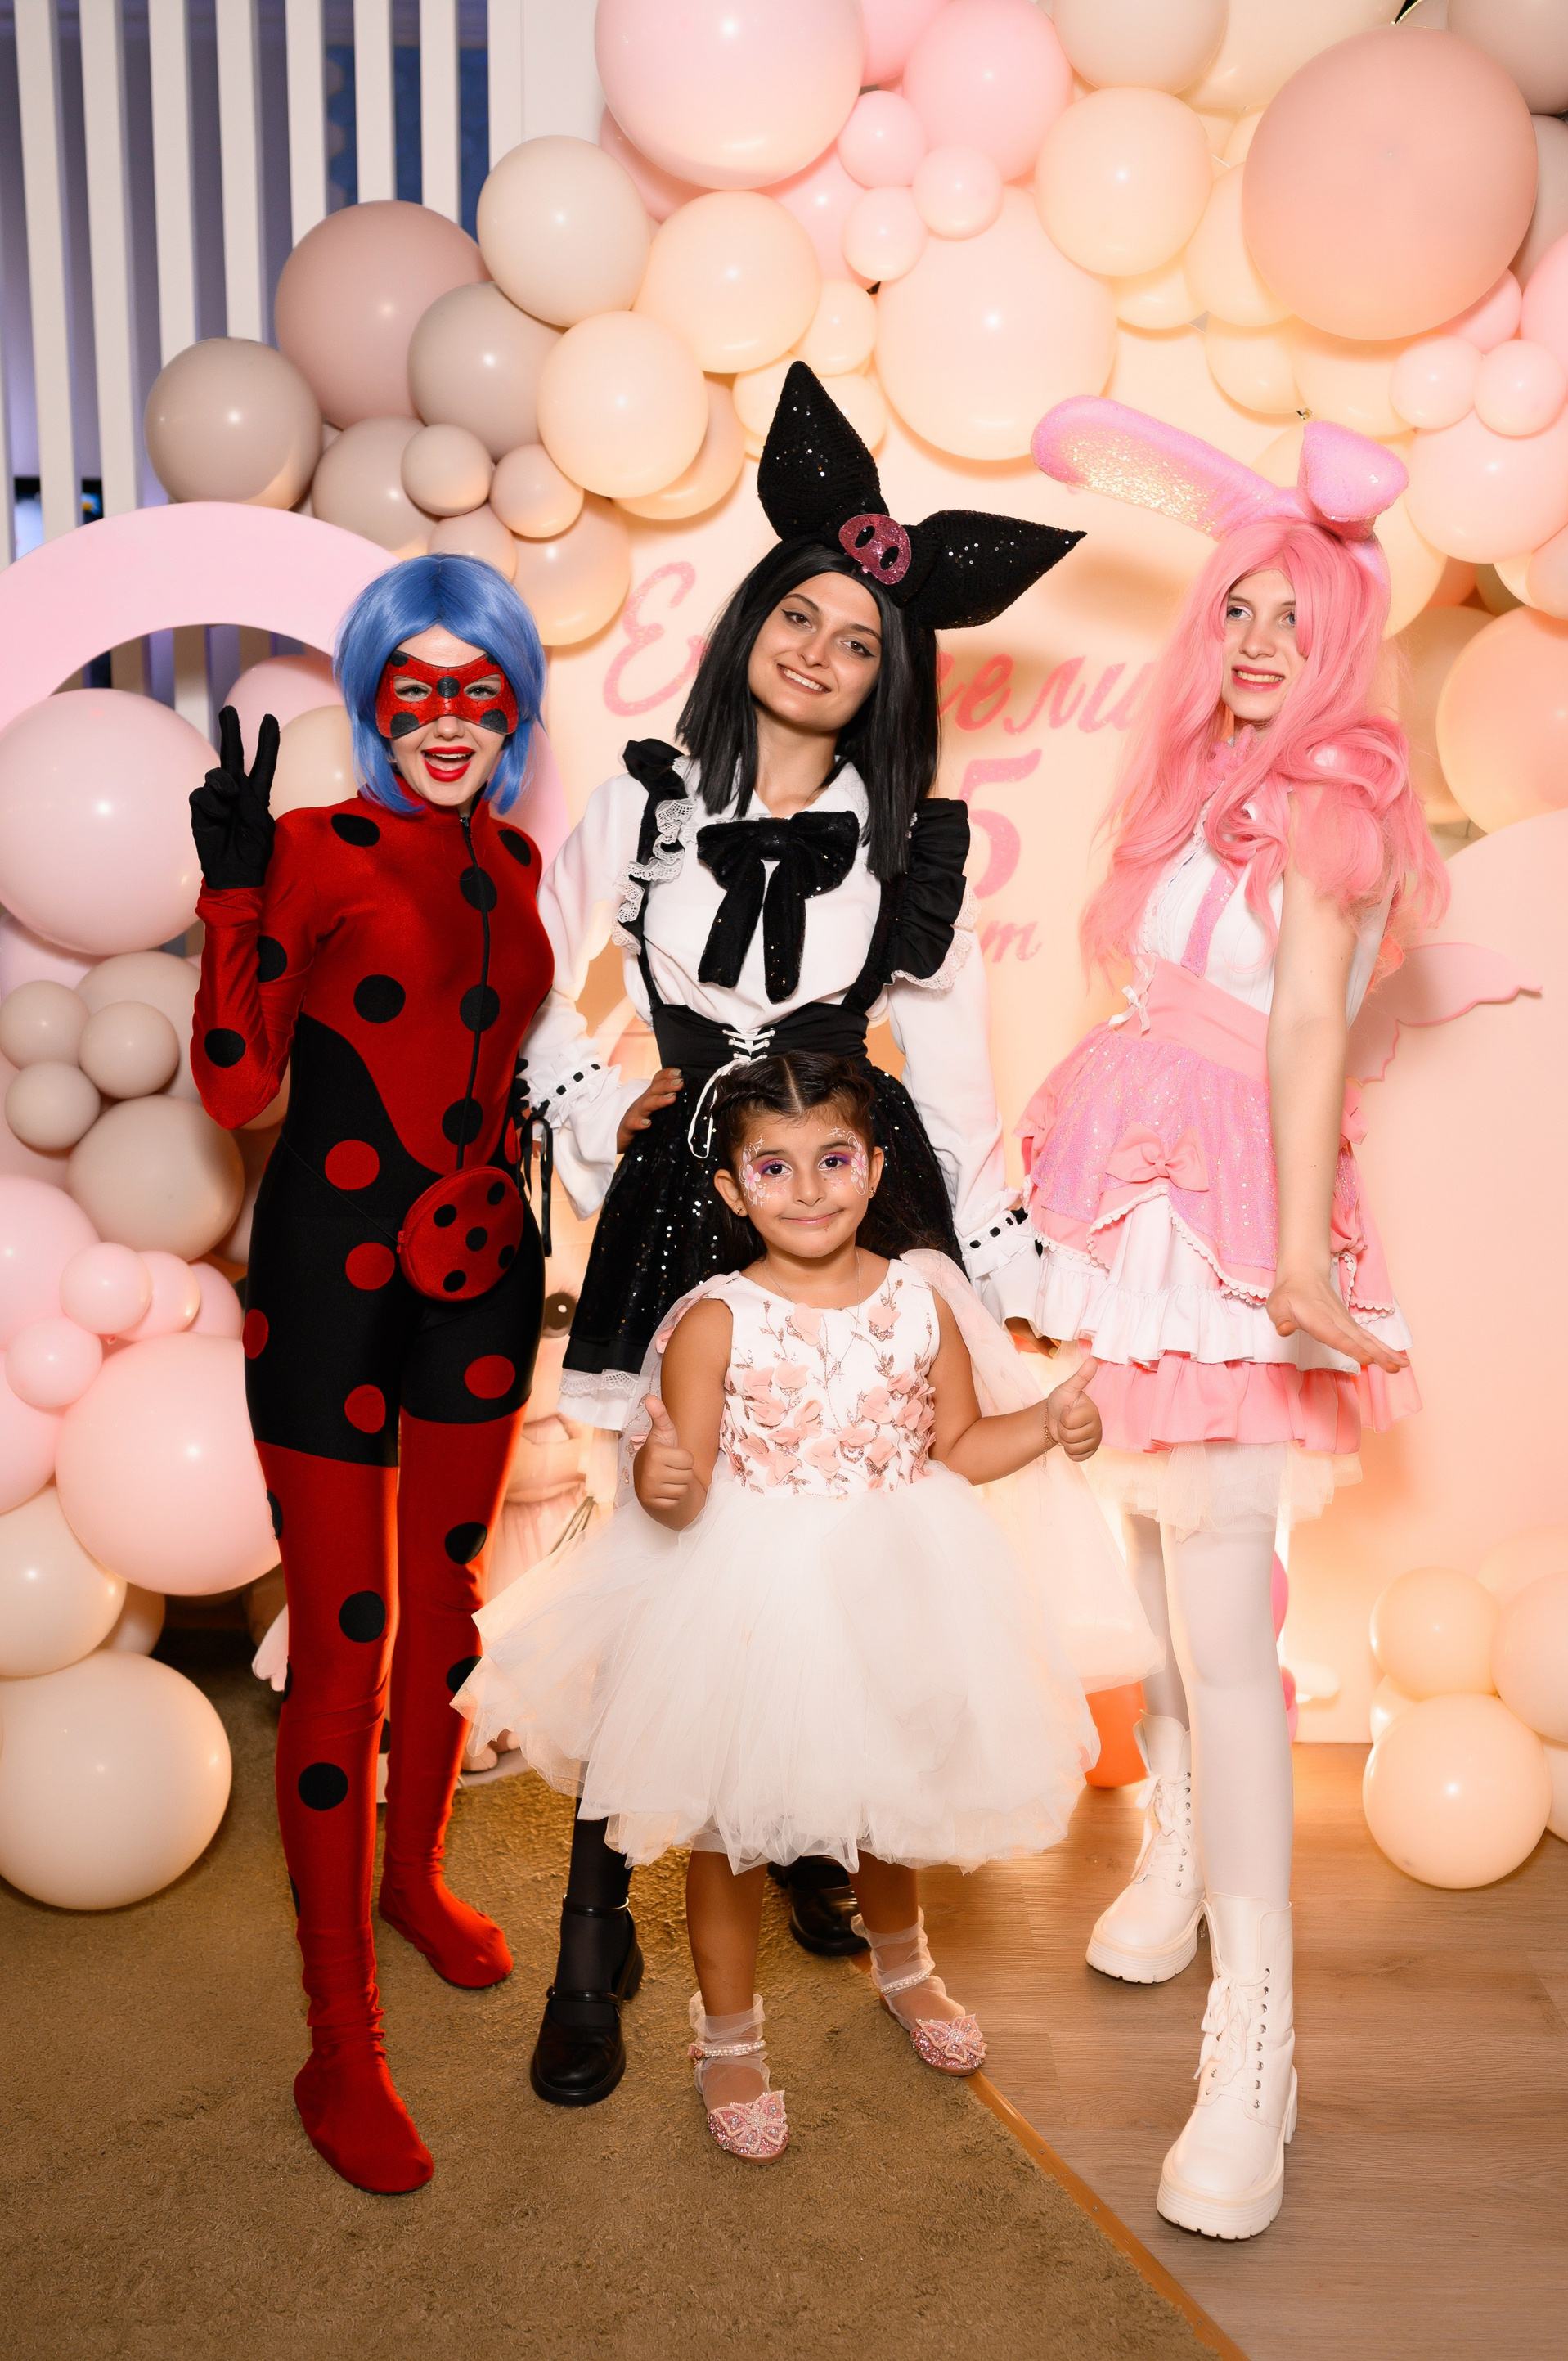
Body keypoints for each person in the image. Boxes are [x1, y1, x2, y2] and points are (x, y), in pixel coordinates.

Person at [514, 363, 1088, 2099]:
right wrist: (588, 1105)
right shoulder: (644, 796)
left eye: (861, 640)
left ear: (893, 676)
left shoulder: (912, 847)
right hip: (682, 1198)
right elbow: (541, 981)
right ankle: (596, 1930)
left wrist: (996, 1262)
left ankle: (823, 1834)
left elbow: (959, 1077)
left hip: (845, 1189)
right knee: (664, 1553)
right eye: (801, 616)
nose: (823, 652)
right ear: (752, 618)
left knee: (850, 1547)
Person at [1019, 400, 1449, 2239]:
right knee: (1145, 1550)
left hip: (1237, 1212)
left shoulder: (1341, 804)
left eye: (1293, 613)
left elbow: (1309, 1028)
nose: (1260, 638)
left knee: (1219, 1593)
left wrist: (1294, 1264)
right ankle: (1178, 1845)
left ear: (1344, 634)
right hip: (1133, 1187)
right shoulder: (1193, 776)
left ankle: (1258, 2040)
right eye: (1240, 608)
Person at [454, 1051, 1152, 2161]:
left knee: (889, 1791)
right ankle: (727, 2034)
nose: (810, 1188)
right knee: (732, 1829)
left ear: (874, 1167)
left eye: (833, 1158)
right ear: (732, 1191)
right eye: (774, 1168)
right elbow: (678, 1484)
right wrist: (661, 1480)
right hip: (753, 1596)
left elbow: (960, 1446)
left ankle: (907, 1969)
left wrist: (1048, 1426)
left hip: (898, 1580)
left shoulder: (922, 1301)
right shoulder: (715, 1319)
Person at [190, 553, 555, 2195]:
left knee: (451, 1608)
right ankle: (339, 2040)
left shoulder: (520, 856)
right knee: (343, 1643)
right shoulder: (313, 845)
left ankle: (413, 1880)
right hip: (329, 1283)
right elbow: (234, 1089)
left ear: (515, 703)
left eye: (481, 689)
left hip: (483, 1271)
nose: (449, 720)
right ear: (369, 700)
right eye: (416, 689)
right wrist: (232, 898)